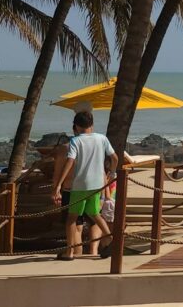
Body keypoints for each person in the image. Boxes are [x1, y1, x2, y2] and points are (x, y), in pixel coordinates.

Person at [51, 111, 116, 260]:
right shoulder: (102, 138)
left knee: (71, 219)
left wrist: (59, 185)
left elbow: (70, 161)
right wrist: (112, 173)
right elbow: (114, 157)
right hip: (97, 185)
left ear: (76, 126)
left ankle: (69, 252)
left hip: (80, 185)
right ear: (91, 125)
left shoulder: (76, 141)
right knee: (94, 214)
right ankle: (109, 239)